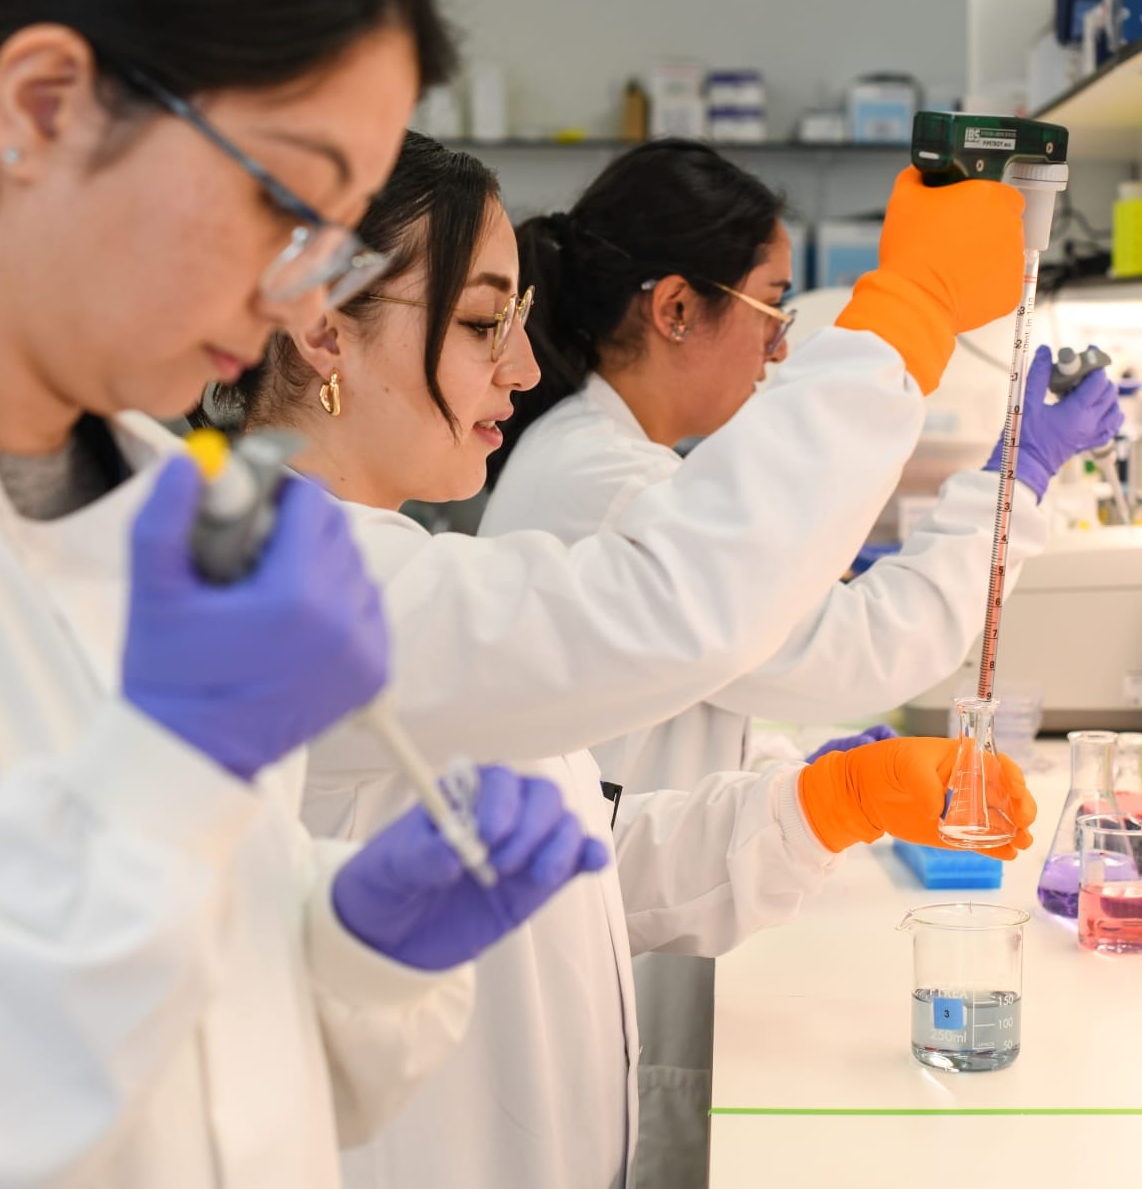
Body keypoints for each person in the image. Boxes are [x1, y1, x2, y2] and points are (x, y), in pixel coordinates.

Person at [0, 0, 604, 1183]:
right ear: (44, 105)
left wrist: (349, 949)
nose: (308, 302)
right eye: (288, 203)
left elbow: (194, 1059)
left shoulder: (158, 486)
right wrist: (168, 771)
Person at [203, 132, 1038, 1189]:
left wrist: (824, 805)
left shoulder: (387, 564)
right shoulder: (282, 596)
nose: (524, 364)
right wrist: (902, 317)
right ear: (322, 328)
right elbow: (672, 601)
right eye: (478, 324)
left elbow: (564, 865)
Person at [480, 140, 1124, 1183]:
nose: (782, 348)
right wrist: (1021, 479)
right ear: (678, 309)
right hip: (620, 944)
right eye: (774, 306)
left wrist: (796, 767)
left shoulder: (610, 456)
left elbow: (733, 659)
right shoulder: (606, 482)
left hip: (634, 889)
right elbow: (857, 651)